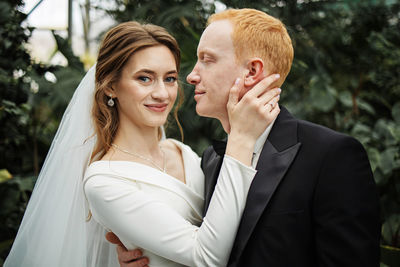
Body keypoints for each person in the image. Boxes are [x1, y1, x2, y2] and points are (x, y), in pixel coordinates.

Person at [113, 8, 381, 267]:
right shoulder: (211, 159)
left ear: (252, 72)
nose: (192, 76)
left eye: (207, 59)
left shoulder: (330, 156)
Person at [4, 21, 281, 267]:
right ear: (111, 86)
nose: (161, 93)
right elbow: (205, 256)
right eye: (144, 78)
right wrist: (241, 140)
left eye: (170, 78)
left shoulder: (183, 153)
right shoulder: (105, 182)